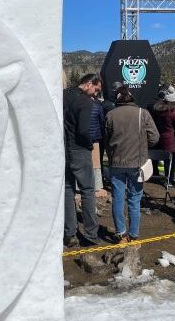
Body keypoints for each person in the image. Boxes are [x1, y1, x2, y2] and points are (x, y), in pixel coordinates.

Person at [105, 86, 159, 242]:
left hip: (116, 163)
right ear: (132, 98)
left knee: (118, 199)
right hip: (137, 163)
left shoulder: (110, 115)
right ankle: (134, 236)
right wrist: (142, 145)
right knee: (134, 200)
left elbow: (106, 140)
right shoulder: (143, 114)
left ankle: (121, 234)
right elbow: (154, 137)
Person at [63, 73, 102, 246]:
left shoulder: (64, 95)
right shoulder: (86, 102)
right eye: (96, 89)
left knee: (68, 189)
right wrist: (89, 145)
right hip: (79, 149)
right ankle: (91, 234)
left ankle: (70, 234)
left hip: (63, 148)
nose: (95, 93)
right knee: (87, 190)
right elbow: (84, 130)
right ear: (88, 83)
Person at [151, 86, 175, 184]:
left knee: (156, 158)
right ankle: (169, 179)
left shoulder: (157, 110)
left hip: (158, 136)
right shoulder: (173, 112)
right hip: (171, 139)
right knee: (170, 161)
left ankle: (155, 174)